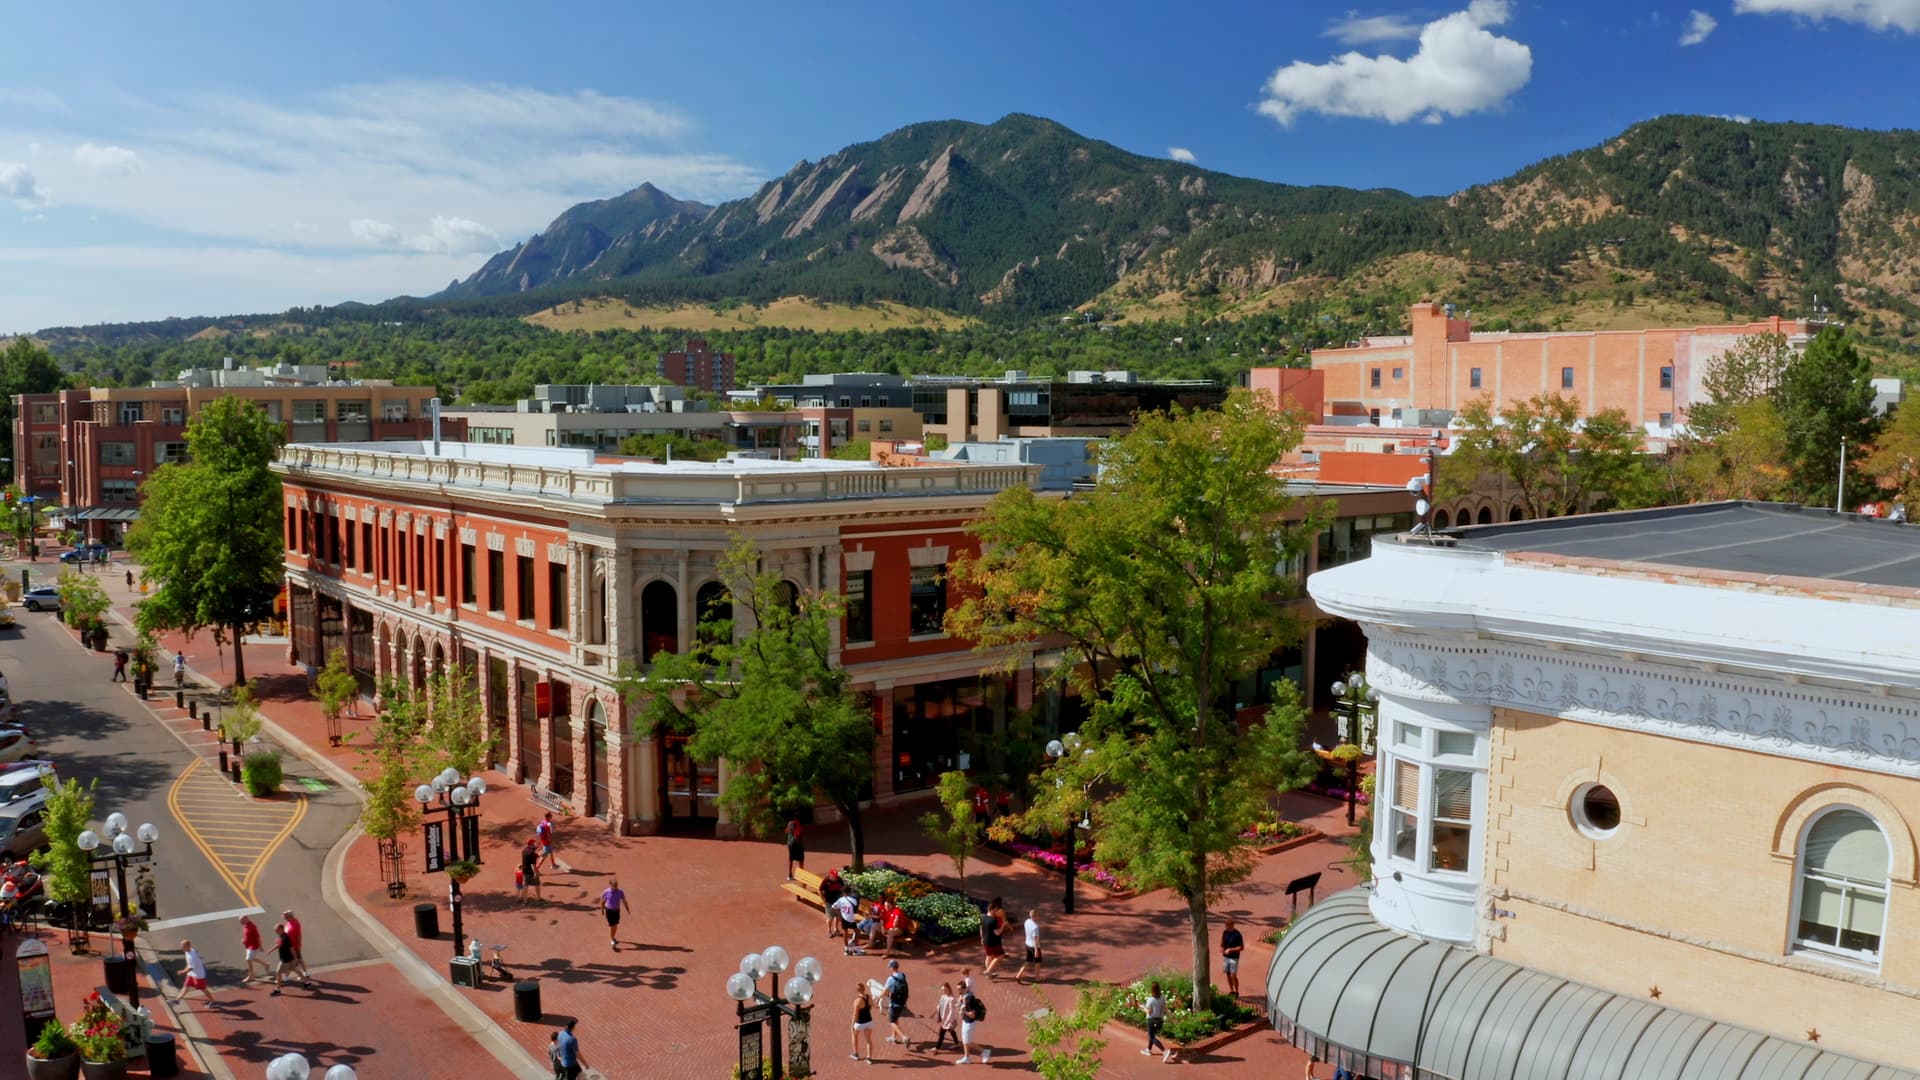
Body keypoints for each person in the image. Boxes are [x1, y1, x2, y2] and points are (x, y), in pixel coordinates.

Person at [881, 958, 910, 1048]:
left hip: (894, 1003)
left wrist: (879, 997)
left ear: (892, 968)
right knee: (896, 1018)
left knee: (892, 1021)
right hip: (902, 1002)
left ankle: (904, 1037)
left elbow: (884, 991)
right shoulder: (903, 975)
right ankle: (893, 1037)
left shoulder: (890, 979)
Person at [957, 982, 987, 1065]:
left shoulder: (969, 1000)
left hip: (969, 1023)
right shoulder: (963, 997)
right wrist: (960, 1004)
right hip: (965, 1021)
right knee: (964, 1040)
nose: (959, 991)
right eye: (958, 989)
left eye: (960, 989)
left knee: (967, 1042)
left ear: (965, 989)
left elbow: (972, 1015)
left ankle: (984, 1051)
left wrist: (963, 1011)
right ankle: (967, 1057)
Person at [283, 910, 313, 983]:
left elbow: (299, 936)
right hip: (289, 947)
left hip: (294, 947)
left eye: (285, 916)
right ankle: (305, 973)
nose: (284, 917)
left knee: (291, 962)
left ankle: (287, 977)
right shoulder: (288, 922)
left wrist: (299, 947)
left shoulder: (295, 924)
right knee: (299, 960)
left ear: (290, 916)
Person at [849, 981, 876, 1062]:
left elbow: (855, 1014)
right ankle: (869, 1057)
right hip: (869, 1021)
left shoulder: (857, 1001)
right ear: (864, 989)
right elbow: (871, 1006)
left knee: (854, 1035)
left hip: (860, 1023)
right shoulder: (869, 997)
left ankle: (856, 1053)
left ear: (857, 990)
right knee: (868, 1039)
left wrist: (852, 1025)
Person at [1014, 909, 1043, 984]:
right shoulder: (1035, 927)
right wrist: (1036, 951)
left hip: (1027, 944)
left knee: (1028, 960)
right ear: (1035, 916)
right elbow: (1035, 939)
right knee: (1038, 962)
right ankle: (1037, 977)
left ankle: (1019, 975)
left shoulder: (1027, 921)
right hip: (1034, 946)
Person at [981, 898, 1007, 978]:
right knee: (1000, 956)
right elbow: (997, 932)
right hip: (994, 942)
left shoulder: (983, 917)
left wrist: (982, 938)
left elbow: (981, 929)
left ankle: (989, 975)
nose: (996, 912)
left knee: (989, 956)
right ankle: (988, 971)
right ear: (992, 910)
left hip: (986, 941)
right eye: (995, 910)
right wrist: (1003, 925)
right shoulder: (993, 920)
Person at [601, 878, 630, 950]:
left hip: (617, 911)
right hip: (609, 911)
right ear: (610, 885)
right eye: (614, 886)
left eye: (616, 885)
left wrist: (627, 908)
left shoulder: (620, 892)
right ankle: (612, 939)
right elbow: (603, 902)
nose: (616, 887)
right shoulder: (606, 892)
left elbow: (624, 901)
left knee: (615, 925)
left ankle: (613, 937)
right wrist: (602, 910)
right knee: (612, 925)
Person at [1220, 916, 1246, 999]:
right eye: (1225, 925)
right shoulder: (1225, 932)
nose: (1226, 926)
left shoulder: (1237, 934)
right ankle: (1231, 991)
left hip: (1234, 958)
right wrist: (1222, 948)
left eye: (1227, 925)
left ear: (1232, 925)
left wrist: (1231, 950)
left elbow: (1241, 947)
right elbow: (1222, 943)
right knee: (1228, 974)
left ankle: (1237, 991)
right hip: (1226, 957)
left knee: (1233, 975)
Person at [1143, 980, 1170, 1060]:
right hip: (1159, 1020)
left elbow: (1149, 1012)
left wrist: (1143, 1007)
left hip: (1151, 1020)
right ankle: (1148, 1049)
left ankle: (1164, 1050)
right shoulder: (1163, 998)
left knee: (1151, 1037)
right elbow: (1165, 1009)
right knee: (1152, 1035)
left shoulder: (1150, 999)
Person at [270, 922, 297, 995]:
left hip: (286, 958)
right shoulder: (280, 936)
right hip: (283, 958)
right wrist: (271, 950)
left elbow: (292, 948)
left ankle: (277, 989)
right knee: (295, 970)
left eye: (277, 930)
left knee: (278, 972)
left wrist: (295, 958)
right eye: (275, 930)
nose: (276, 931)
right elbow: (278, 944)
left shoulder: (286, 937)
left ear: (282, 929)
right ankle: (306, 982)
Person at [239, 915, 269, 983]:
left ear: (246, 919)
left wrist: (261, 946)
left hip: (253, 946)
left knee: (248, 959)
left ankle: (251, 975)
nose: (241, 923)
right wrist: (244, 939)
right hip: (248, 946)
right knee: (252, 958)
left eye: (241, 921)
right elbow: (246, 934)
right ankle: (266, 965)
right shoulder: (245, 925)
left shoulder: (252, 926)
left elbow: (258, 937)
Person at [933, 981, 959, 1051]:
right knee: (951, 1031)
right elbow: (939, 1006)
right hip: (943, 1018)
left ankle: (937, 1048)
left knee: (941, 1033)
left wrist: (947, 1021)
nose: (943, 991)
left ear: (949, 989)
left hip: (948, 1020)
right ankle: (957, 1043)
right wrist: (934, 1013)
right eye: (942, 990)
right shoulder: (943, 996)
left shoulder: (951, 999)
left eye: (945, 990)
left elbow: (951, 1011)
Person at [821, 869, 845, 938]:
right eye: (834, 876)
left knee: (837, 915)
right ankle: (829, 930)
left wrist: (842, 896)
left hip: (838, 900)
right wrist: (823, 899)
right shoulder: (826, 881)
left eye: (836, 876)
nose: (835, 877)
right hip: (829, 901)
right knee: (830, 917)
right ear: (830, 875)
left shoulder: (839, 879)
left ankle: (836, 929)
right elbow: (820, 890)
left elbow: (842, 888)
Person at [520, 838, 543, 903]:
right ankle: (539, 899)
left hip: (524, 871)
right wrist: (536, 873)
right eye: (534, 843)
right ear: (531, 844)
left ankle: (525, 901)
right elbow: (533, 865)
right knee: (537, 884)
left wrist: (538, 846)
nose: (534, 844)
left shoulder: (524, 850)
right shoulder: (532, 854)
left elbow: (533, 850)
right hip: (531, 873)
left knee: (525, 885)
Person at [785, 815, 805, 880]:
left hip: (790, 844)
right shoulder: (797, 824)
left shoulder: (789, 823)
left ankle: (790, 874)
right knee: (801, 859)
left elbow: (786, 831)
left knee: (791, 859)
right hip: (796, 844)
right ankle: (802, 875)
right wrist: (800, 843)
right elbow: (797, 834)